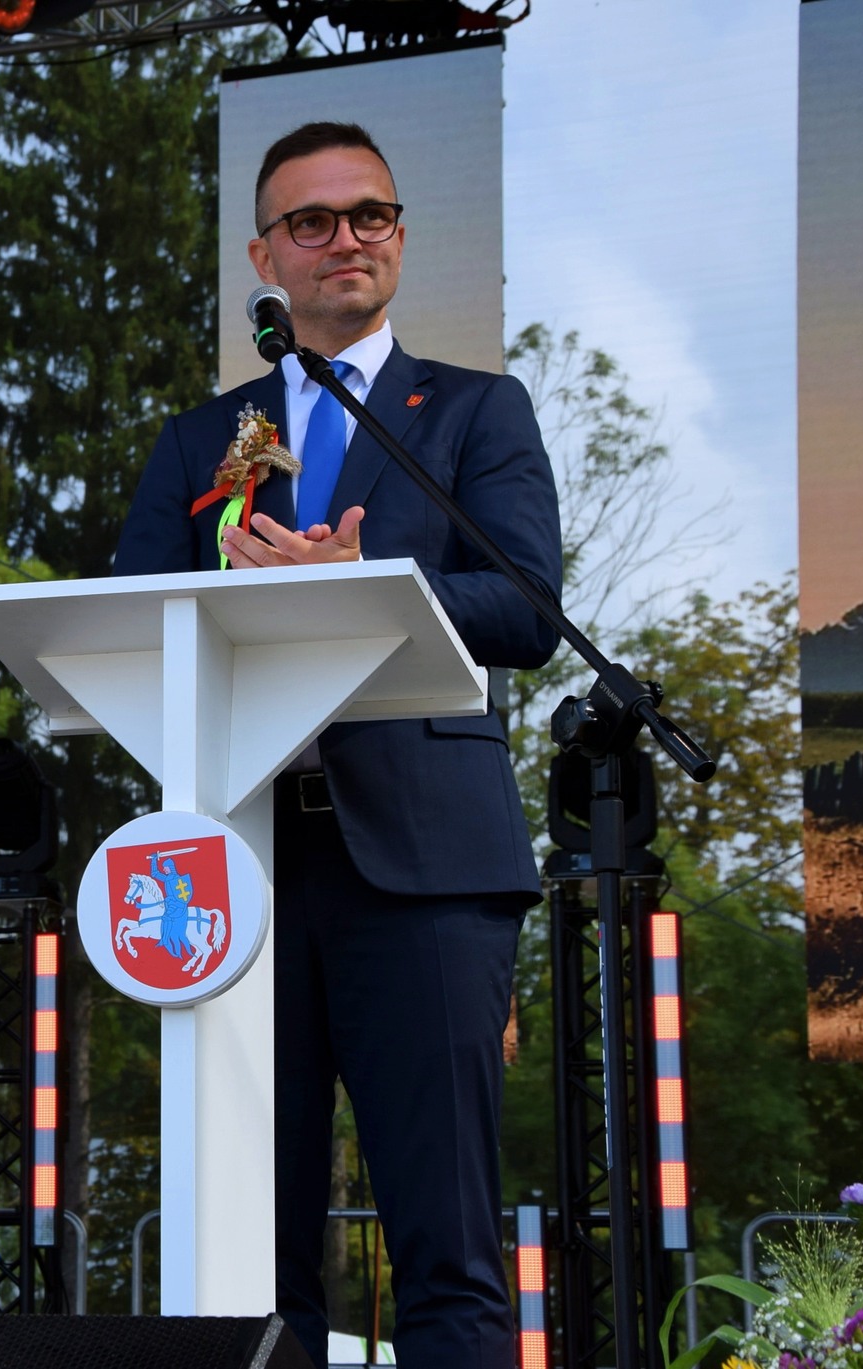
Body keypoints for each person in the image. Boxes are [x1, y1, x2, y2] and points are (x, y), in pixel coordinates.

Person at [115, 123, 563, 1367]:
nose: (343, 238)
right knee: (251, 1267)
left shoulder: (469, 409)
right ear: (263, 257)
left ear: (398, 238)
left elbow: (526, 606)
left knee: (447, 1249)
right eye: (309, 221)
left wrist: (358, 589)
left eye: (368, 214)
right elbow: (126, 621)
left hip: (424, 863)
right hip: (235, 871)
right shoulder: (198, 440)